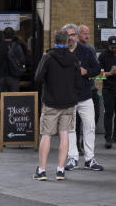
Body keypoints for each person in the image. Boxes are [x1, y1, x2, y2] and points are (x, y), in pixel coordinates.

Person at [33, 28, 82, 181]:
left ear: (54, 40)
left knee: (46, 135)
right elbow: (78, 82)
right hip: (68, 103)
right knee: (64, 134)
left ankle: (41, 170)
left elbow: (38, 78)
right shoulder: (73, 58)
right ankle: (60, 170)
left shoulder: (48, 57)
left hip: (51, 102)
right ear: (67, 40)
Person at [63, 23, 102, 171]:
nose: (70, 37)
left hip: (85, 96)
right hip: (68, 97)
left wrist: (87, 73)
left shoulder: (86, 51)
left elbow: (97, 69)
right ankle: (72, 158)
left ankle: (90, 158)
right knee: (70, 128)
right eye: (67, 35)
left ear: (77, 35)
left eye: (73, 35)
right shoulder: (60, 52)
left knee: (90, 126)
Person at [0, 26, 26, 134]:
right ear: (13, 35)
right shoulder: (18, 46)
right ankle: (13, 123)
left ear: (3, 35)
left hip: (1, 77)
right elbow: (23, 60)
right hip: (14, 77)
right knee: (14, 100)